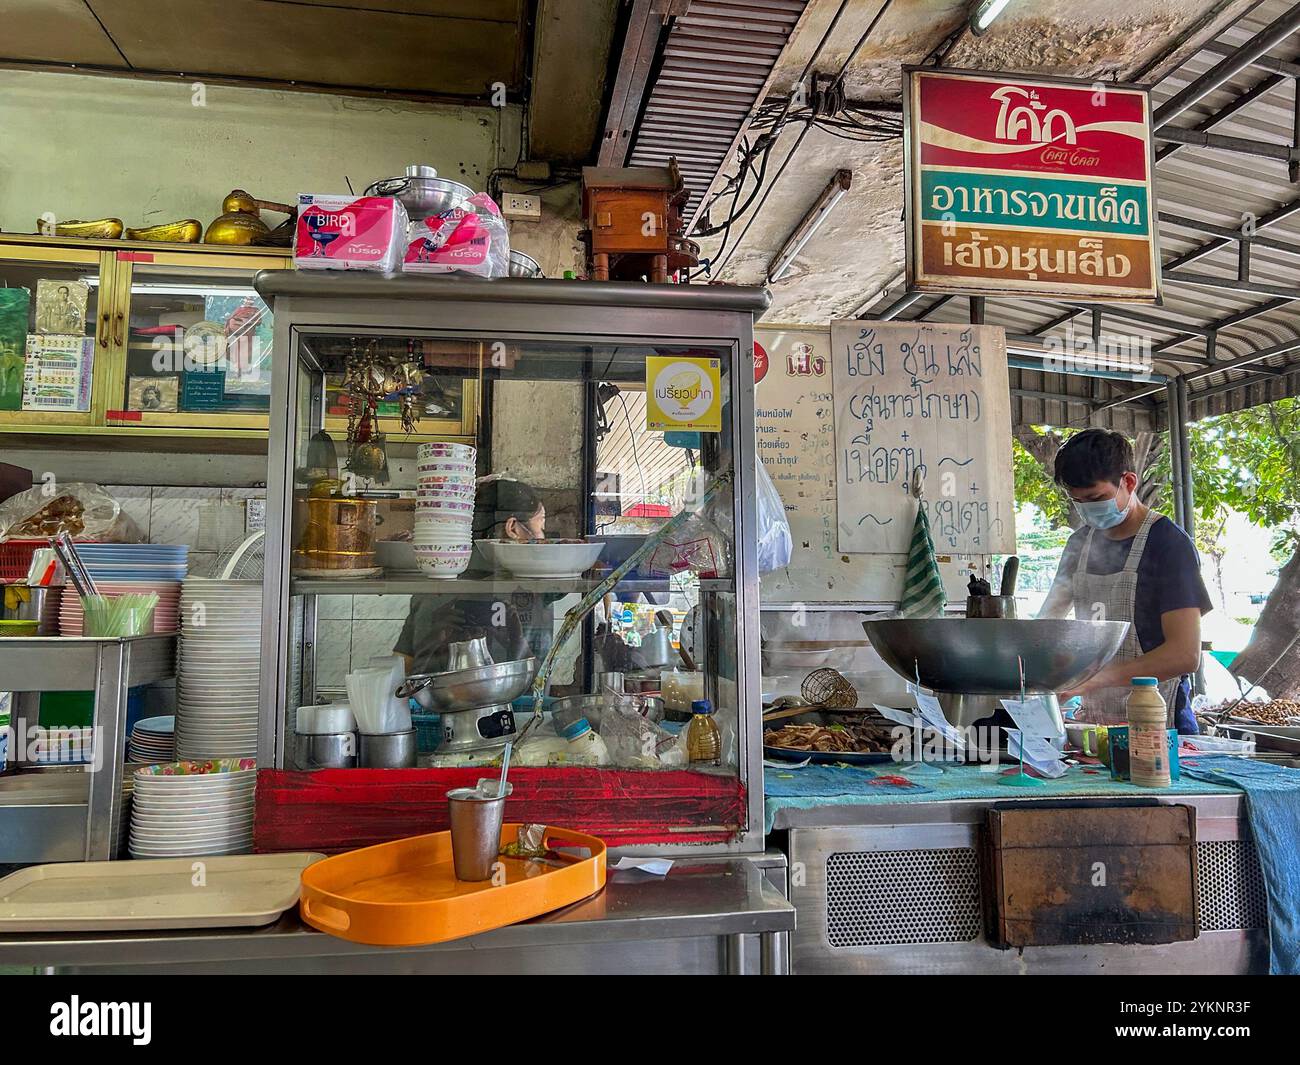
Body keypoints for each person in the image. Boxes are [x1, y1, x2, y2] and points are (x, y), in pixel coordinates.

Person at [1039, 429, 1212, 728]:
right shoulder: (1079, 546)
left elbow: (1184, 654)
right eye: (1077, 501)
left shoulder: (1168, 544)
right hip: (1096, 724)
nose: (1087, 510)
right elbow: (1047, 624)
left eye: (1095, 498)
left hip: (1162, 723)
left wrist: (1095, 679)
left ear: (1128, 482)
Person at [394, 476, 552, 674]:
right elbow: (537, 678)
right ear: (513, 528)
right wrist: (437, 638)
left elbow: (400, 672)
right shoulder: (538, 587)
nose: (543, 537)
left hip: (438, 701)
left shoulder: (431, 588)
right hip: (523, 702)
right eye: (541, 525)